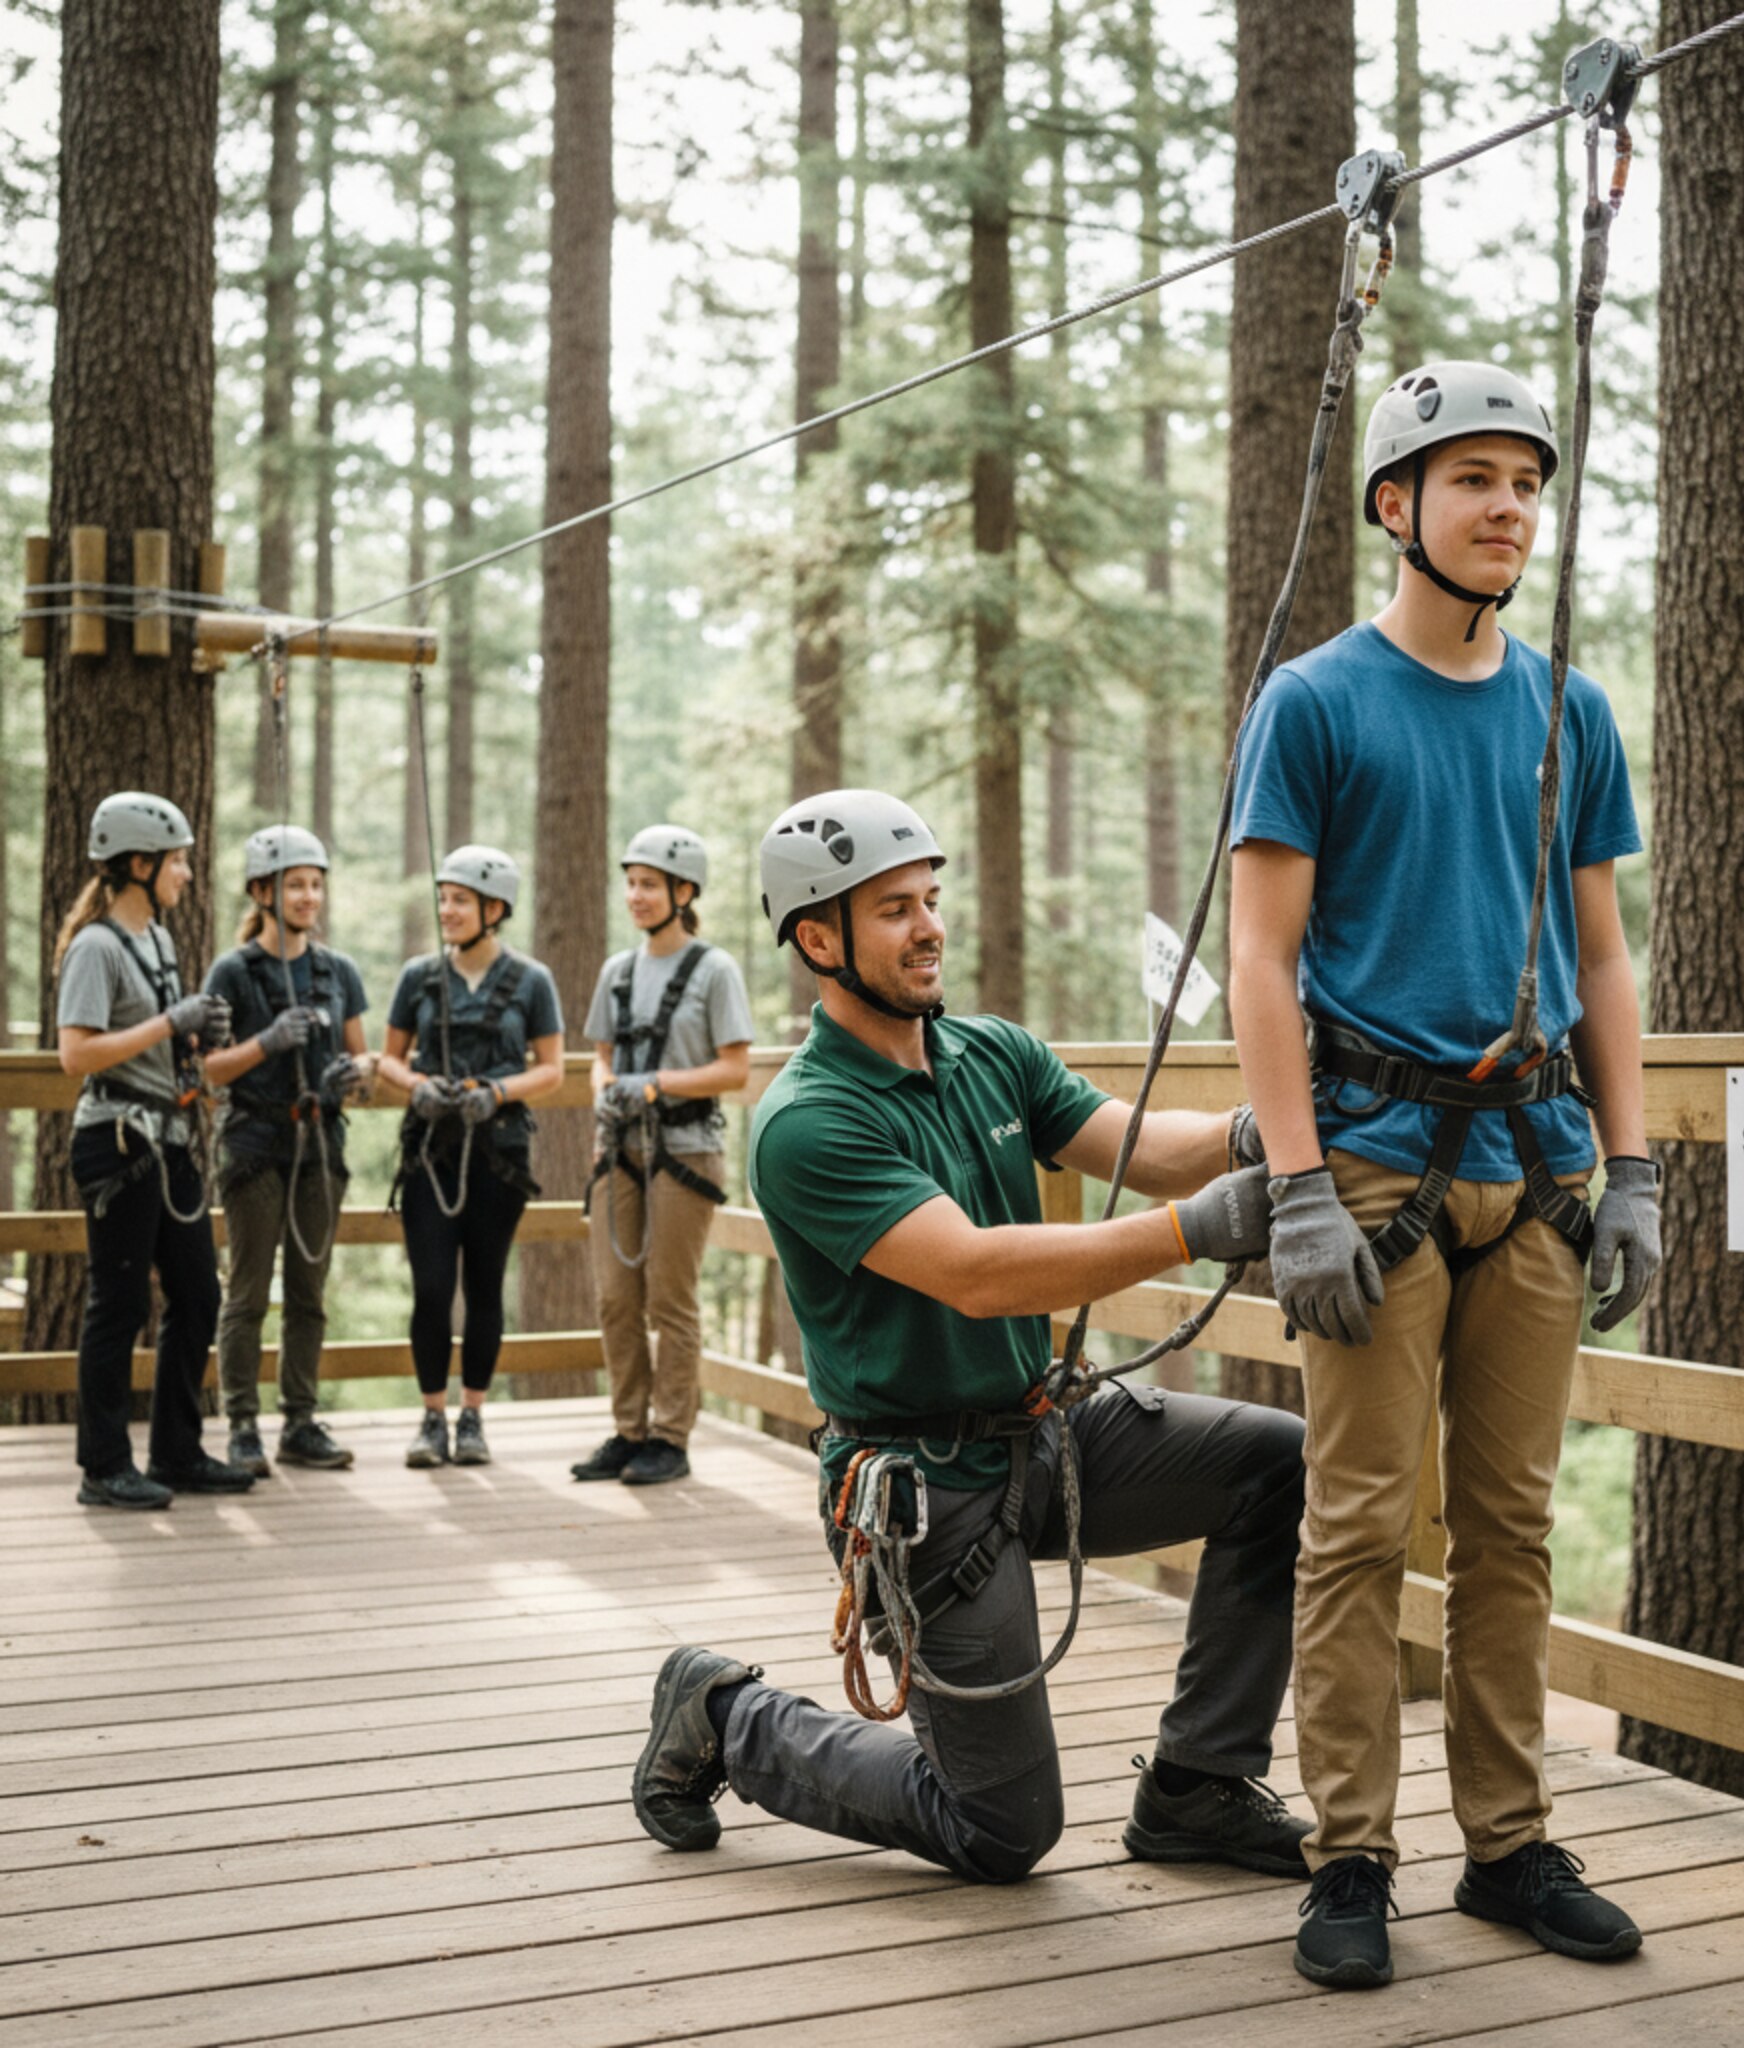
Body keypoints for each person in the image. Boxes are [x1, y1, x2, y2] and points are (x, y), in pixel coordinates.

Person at [627, 789, 1306, 1890]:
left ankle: (1197, 1784)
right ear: (816, 937)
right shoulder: (808, 1120)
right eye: (893, 908)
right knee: (999, 1828)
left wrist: (1253, 1130)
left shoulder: (990, 1052)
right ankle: (725, 1714)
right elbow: (975, 1273)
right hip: (927, 1485)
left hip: (1046, 1431)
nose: (929, 925)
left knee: (1274, 1462)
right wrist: (1198, 1228)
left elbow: (1139, 1143)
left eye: (930, 900)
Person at [1229, 360, 1663, 1989]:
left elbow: (1604, 962)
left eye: (1523, 482)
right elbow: (1260, 965)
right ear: (1394, 505)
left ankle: (1508, 1839)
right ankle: (1347, 1851)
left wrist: (1630, 1165)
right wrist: (1292, 1187)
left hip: (1537, 1171)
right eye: (1469, 477)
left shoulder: (1570, 711)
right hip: (1372, 1167)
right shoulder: (1316, 702)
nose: (1505, 508)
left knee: (1510, 1526)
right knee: (1351, 1528)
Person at [55, 792, 244, 1509]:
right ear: (141, 864)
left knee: (197, 1294)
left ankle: (176, 1451)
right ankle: (103, 1466)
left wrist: (196, 1038)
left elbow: (158, 1036)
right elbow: (77, 1055)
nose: (187, 873)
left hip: (166, 1137)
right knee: (120, 1301)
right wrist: (171, 1021)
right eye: (178, 860)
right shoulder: (97, 947)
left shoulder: (158, 941)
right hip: (118, 1141)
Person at [571, 826, 754, 1487]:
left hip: (685, 1151)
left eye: (649, 884)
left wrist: (655, 1085)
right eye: (631, 883)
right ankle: (628, 1430)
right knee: (616, 1297)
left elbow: (733, 1070)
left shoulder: (714, 971)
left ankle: (670, 1436)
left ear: (683, 891)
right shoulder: (617, 972)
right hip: (619, 1149)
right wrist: (608, 1094)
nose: (636, 896)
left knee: (669, 1298)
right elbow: (599, 1060)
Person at [378, 845, 563, 1470]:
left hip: (499, 1155)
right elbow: (388, 1060)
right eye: (443, 898)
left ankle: (474, 1416)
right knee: (432, 1288)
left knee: (484, 1288)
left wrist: (498, 1093)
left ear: (494, 907)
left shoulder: (531, 981)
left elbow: (554, 1070)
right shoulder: (419, 977)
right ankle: (432, 1417)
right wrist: (418, 1087)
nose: (446, 910)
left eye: (459, 900)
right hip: (432, 1153)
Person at [202, 827, 371, 1476]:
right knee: (247, 1291)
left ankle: (299, 1420)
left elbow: (364, 1062)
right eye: (295, 884)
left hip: (319, 1144)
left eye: (315, 884)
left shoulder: (338, 972)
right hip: (253, 1144)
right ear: (261, 891)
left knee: (309, 1289)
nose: (309, 896)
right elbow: (211, 1069)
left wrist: (348, 1079)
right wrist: (268, 1042)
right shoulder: (234, 971)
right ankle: (242, 1423)